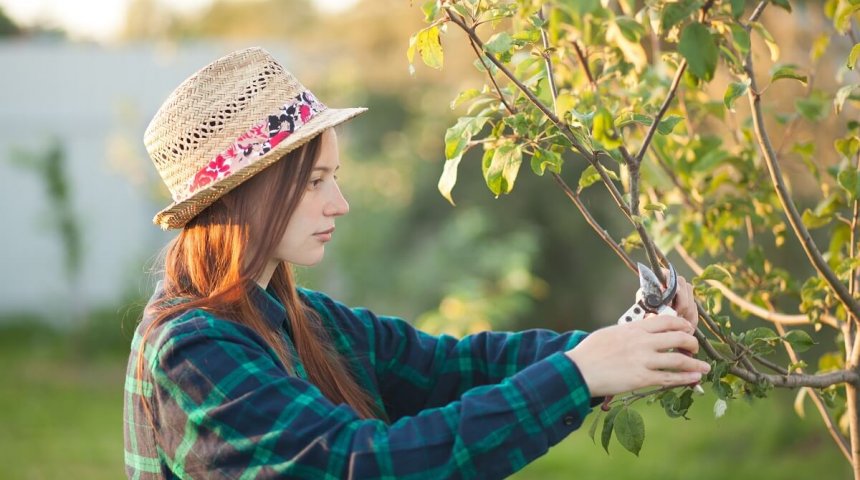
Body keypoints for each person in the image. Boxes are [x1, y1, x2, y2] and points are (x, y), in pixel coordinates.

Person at [123, 46, 710, 479]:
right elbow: (362, 466)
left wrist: (628, 337)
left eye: (336, 178)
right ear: (246, 195)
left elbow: (454, 368)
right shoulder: (192, 351)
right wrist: (579, 374)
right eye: (315, 183)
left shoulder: (301, 320)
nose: (340, 203)